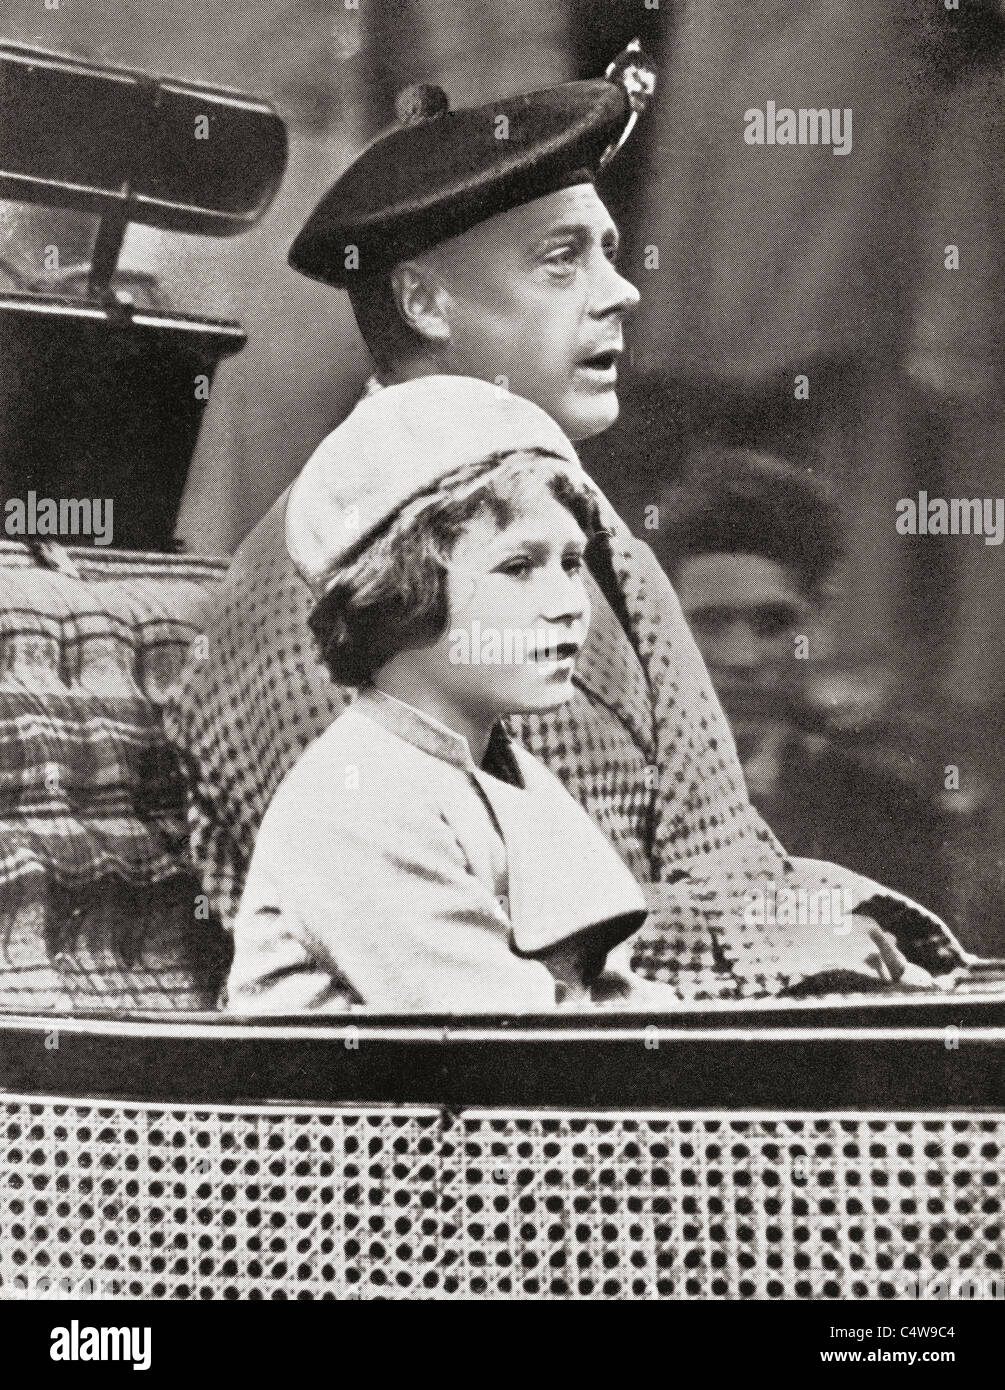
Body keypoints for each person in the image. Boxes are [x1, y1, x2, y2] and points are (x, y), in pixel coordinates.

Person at [167, 47, 970, 1004]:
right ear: (424, 300)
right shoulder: (321, 577)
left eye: (610, 253)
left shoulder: (585, 537)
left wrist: (806, 923)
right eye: (561, 260)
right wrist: (769, 935)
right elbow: (475, 952)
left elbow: (730, 853)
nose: (620, 292)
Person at [228, 378, 684, 1012]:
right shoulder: (360, 799)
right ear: (400, 595)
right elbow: (507, 1044)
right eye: (519, 567)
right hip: (353, 1109)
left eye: (572, 564)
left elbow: (604, 995)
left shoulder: (506, 771)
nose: (570, 605)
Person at [655, 444, 954, 922]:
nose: (742, 657)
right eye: (710, 622)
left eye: (773, 622)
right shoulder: (606, 804)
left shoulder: (893, 817)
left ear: (816, 622)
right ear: (662, 624)